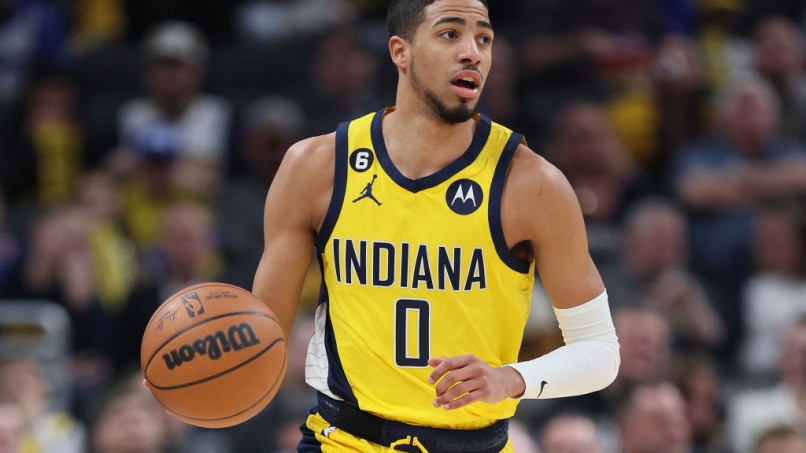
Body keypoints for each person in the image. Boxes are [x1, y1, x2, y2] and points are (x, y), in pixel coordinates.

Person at [248, 1, 620, 451]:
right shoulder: (317, 166)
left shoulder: (532, 184)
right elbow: (259, 340)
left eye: (484, 39)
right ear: (400, 51)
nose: (472, 53)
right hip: (342, 438)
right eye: (450, 34)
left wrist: (511, 378)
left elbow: (601, 352)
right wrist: (195, 367)